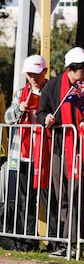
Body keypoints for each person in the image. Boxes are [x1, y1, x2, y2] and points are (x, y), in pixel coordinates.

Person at [36, 46, 84, 258]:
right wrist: (46, 119)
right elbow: (41, 112)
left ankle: (73, 242)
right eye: (83, 67)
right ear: (71, 69)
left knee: (76, 196)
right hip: (59, 148)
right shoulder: (53, 87)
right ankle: (63, 242)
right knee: (61, 195)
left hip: (82, 150)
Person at [4, 54, 49, 250]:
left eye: (36, 74)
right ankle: (25, 238)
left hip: (45, 153)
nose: (32, 78)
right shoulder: (20, 93)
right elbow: (8, 117)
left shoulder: (51, 90)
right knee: (23, 197)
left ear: (44, 72)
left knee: (46, 197)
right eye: (29, 74)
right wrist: (18, 109)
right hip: (21, 152)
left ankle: (52, 239)